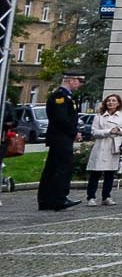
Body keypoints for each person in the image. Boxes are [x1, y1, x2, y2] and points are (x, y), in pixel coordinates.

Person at [37, 70, 84, 210]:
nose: (79, 84)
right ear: (71, 80)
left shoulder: (67, 97)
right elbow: (61, 119)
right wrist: (74, 132)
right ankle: (58, 198)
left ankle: (48, 199)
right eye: (78, 81)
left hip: (62, 137)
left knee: (53, 168)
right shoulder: (60, 97)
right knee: (62, 168)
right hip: (60, 138)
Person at [84, 93, 122, 205]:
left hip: (114, 145)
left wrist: (119, 130)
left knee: (110, 173)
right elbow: (94, 132)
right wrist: (108, 131)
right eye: (109, 100)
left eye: (114, 100)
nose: (111, 103)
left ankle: (106, 196)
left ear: (118, 103)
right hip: (101, 146)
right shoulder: (99, 115)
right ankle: (91, 197)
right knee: (95, 173)